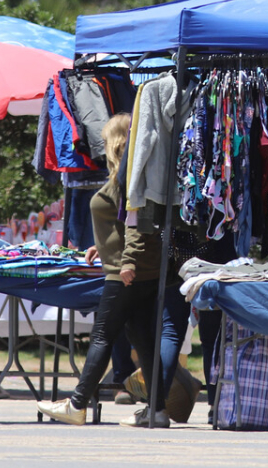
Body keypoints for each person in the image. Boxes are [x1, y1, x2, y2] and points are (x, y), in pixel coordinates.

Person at [35, 113, 176, 428]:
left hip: (127, 271)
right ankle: (156, 410)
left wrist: (127, 259)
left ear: (114, 141)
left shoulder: (131, 175)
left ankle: (76, 404)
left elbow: (138, 221)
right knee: (143, 338)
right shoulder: (130, 174)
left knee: (102, 335)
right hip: (139, 268)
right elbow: (123, 221)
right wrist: (106, 246)